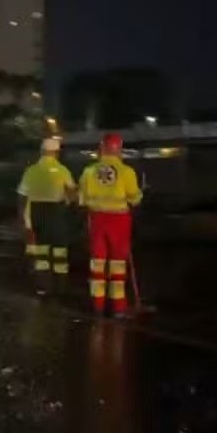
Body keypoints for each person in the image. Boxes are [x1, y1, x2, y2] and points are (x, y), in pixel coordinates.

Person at [78, 133, 142, 316]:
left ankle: (97, 305)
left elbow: (81, 199)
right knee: (117, 265)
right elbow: (134, 198)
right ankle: (118, 307)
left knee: (97, 263)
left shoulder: (89, 171)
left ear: (102, 148)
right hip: (120, 221)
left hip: (97, 219)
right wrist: (139, 196)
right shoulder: (127, 172)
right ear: (119, 149)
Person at [17, 138, 76, 288]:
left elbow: (22, 196)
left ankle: (43, 287)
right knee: (60, 252)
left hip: (37, 212)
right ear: (56, 153)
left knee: (42, 252)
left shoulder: (31, 171)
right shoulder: (63, 170)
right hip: (56, 213)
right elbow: (72, 194)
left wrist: (23, 218)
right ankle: (61, 286)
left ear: (41, 152)